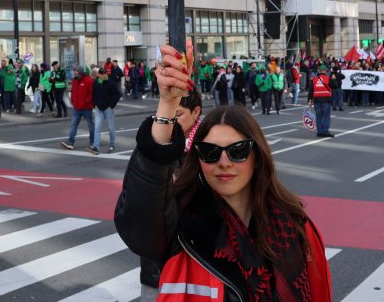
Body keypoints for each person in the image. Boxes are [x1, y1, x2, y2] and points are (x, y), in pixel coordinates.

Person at [115, 44, 331, 301]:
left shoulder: (295, 225)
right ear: (198, 160)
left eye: (238, 150)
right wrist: (167, 105)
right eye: (210, 152)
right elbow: (139, 222)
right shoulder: (183, 227)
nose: (224, 162)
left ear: (258, 157)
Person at [136, 89, 204, 300]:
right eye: (168, 116)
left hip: (198, 261)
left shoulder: (210, 147)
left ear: (196, 112)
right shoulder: (156, 143)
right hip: (157, 264)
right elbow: (138, 202)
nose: (172, 122)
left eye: (179, 115)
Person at [60, 66, 96, 153]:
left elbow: (92, 93)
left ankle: (92, 142)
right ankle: (70, 142)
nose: (75, 73)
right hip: (77, 107)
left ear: (80, 72)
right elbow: (73, 91)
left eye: (76, 71)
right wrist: (72, 100)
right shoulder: (74, 80)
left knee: (91, 125)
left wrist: (86, 101)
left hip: (87, 108)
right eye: (74, 71)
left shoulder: (89, 80)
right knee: (74, 125)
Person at [93, 67, 120, 153]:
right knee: (97, 127)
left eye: (105, 73)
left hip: (108, 108)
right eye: (102, 74)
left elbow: (117, 94)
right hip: (99, 108)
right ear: (99, 75)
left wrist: (112, 105)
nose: (104, 75)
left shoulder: (111, 82)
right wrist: (95, 104)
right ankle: (96, 147)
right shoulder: (96, 82)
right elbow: (93, 93)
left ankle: (112, 144)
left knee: (111, 127)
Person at [308, 69, 334, 138]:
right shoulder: (328, 78)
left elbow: (311, 90)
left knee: (319, 116)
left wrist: (309, 100)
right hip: (326, 100)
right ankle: (325, 131)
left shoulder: (314, 79)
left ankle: (319, 132)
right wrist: (334, 79)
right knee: (326, 116)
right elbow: (335, 87)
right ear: (325, 71)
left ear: (318, 71)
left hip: (317, 100)